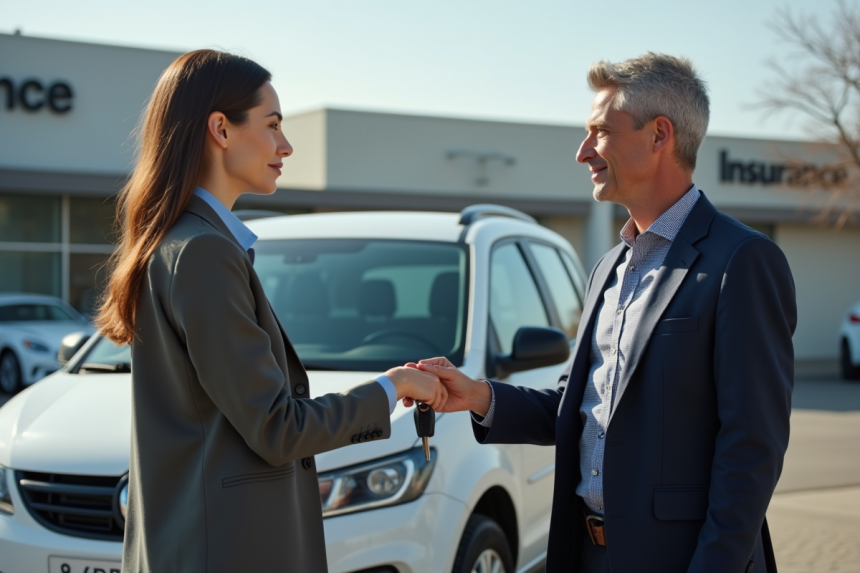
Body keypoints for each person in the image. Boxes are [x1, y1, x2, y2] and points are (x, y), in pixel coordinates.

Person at [412, 53, 796, 573]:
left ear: (659, 135)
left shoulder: (742, 261)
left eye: (599, 132)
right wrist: (479, 395)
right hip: (586, 553)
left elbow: (752, 448)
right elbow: (579, 402)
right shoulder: (608, 269)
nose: (582, 152)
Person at [96, 50, 446, 573]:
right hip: (228, 550)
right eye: (273, 125)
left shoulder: (183, 243)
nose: (285, 145)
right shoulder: (203, 252)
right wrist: (393, 387)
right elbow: (278, 428)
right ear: (221, 129)